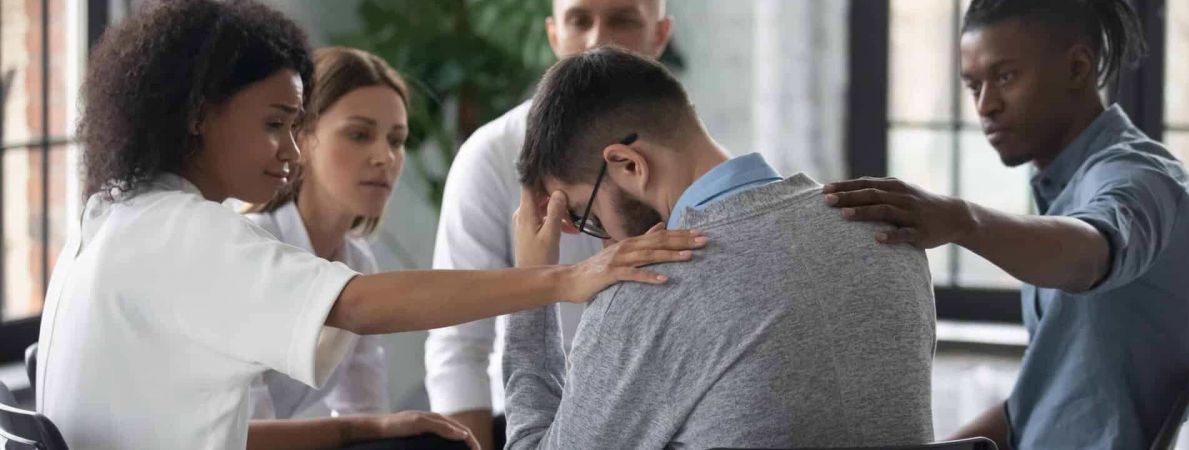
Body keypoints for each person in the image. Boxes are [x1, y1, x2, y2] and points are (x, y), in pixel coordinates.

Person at [36, 2, 704, 449]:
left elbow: (210, 436)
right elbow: (355, 305)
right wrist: (564, 278)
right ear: (198, 114)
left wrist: (359, 429)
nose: (291, 151)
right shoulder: (183, 233)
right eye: (275, 124)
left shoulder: (116, 217)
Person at [503, 46, 937, 450]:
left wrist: (532, 287)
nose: (601, 239)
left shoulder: (647, 289)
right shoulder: (885, 231)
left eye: (585, 214)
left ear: (629, 165)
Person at [823, 0, 1189, 448]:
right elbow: (1036, 405)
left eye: (1004, 77)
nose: (986, 105)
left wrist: (962, 220)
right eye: (973, 85)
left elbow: (1092, 255)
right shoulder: (1065, 190)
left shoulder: (1139, 176)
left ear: (1077, 68)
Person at [424, 0, 673, 448]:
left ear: (660, 35)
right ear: (554, 34)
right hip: (528, 421)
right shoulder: (492, 155)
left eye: (622, 20)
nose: (597, 40)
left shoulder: (689, 158)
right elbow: (458, 342)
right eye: (579, 20)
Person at [241, 46, 406, 430]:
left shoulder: (357, 265)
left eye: (397, 140)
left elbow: (365, 408)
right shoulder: (252, 249)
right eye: (359, 134)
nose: (385, 157)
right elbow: (244, 430)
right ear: (301, 138)